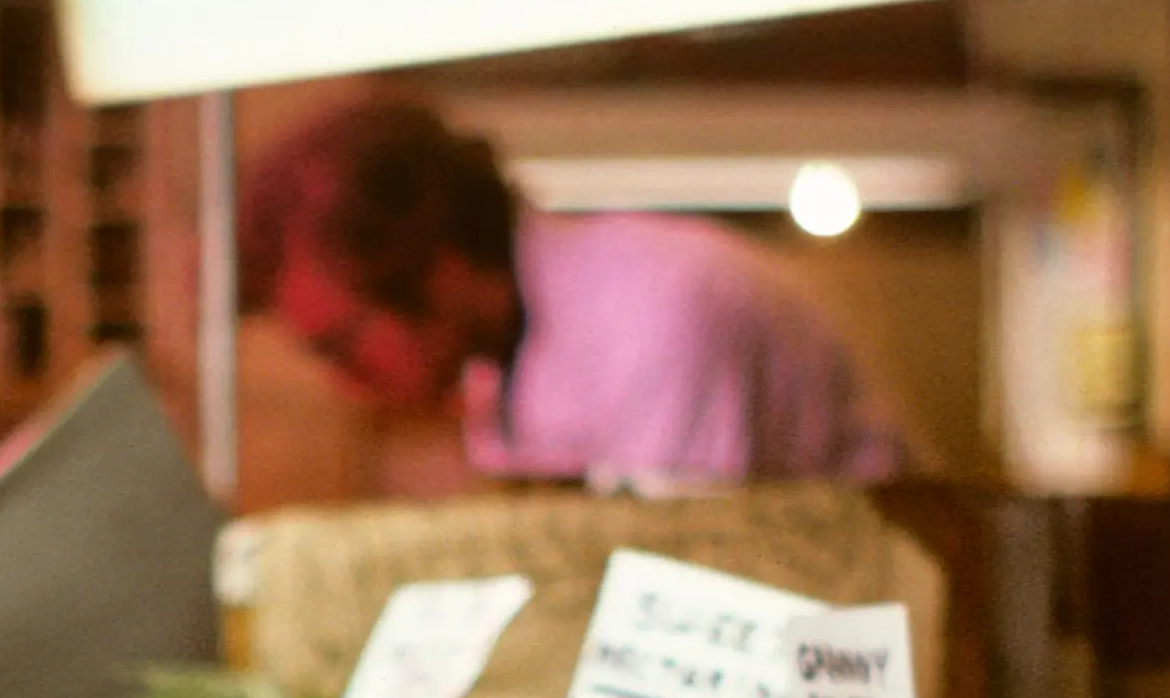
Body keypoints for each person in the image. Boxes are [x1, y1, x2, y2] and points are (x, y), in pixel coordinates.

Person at [241, 95, 905, 493]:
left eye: (343, 345)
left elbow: (678, 591)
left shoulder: (654, 311)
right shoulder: (499, 362)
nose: (348, 386)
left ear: (436, 268)